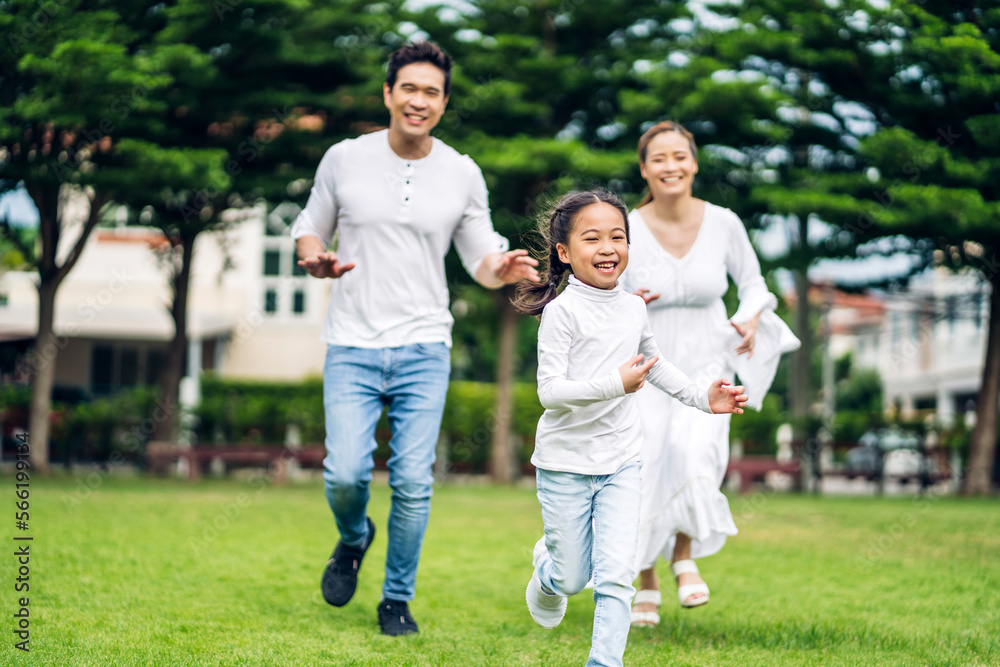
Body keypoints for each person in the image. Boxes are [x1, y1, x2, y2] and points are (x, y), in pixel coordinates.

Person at [291, 41, 539, 637]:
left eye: (431, 92)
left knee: (412, 480)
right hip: (351, 342)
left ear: (444, 102)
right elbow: (308, 229)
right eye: (409, 88)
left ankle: (395, 599)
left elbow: (481, 256)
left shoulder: (460, 171)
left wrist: (500, 269)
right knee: (345, 474)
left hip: (425, 345)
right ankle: (354, 538)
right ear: (388, 93)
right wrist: (315, 261)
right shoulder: (344, 159)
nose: (419, 101)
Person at [513, 189, 747, 667]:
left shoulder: (633, 306)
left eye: (617, 236)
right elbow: (550, 393)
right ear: (564, 252)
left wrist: (703, 397)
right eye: (592, 238)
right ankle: (549, 570)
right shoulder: (561, 312)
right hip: (565, 464)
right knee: (576, 576)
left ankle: (605, 662)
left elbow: (654, 364)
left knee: (617, 575)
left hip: (622, 460)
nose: (607, 248)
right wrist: (613, 384)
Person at [622, 121, 800, 626]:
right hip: (650, 368)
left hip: (706, 365)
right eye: (659, 158)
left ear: (694, 162)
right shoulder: (628, 226)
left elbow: (754, 283)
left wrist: (749, 316)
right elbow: (603, 285)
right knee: (647, 461)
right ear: (644, 168)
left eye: (680, 156)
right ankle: (646, 580)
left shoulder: (723, 222)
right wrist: (626, 300)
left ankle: (683, 553)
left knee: (694, 451)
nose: (670, 166)